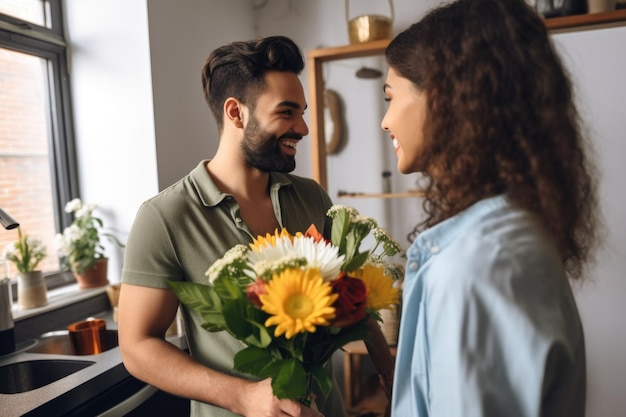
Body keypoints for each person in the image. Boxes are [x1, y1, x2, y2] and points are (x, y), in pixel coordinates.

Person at [118, 35, 394, 417]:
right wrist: (243, 397)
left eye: (303, 112)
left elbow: (354, 299)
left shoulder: (312, 197)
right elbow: (136, 346)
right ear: (236, 113)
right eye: (287, 112)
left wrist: (390, 370)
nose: (303, 128)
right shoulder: (164, 217)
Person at [380, 0, 600, 416]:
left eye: (391, 96)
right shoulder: (516, 234)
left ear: (444, 96)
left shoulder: (472, 266)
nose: (385, 120)